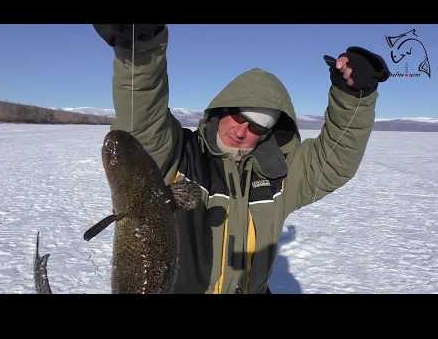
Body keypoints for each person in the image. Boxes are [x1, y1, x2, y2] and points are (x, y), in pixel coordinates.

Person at [93, 24, 390, 294]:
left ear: (269, 133)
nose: (242, 130)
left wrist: (354, 98)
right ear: (223, 110)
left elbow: (333, 160)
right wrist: (141, 44)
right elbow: (143, 116)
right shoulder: (178, 153)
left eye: (257, 127)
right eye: (238, 116)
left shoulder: (279, 174)